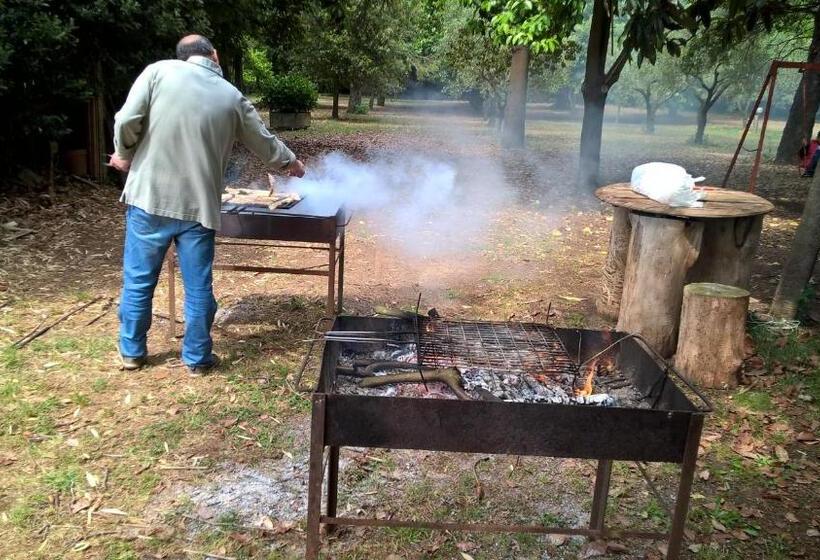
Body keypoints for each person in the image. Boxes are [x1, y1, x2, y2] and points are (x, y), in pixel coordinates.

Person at [109, 35, 305, 375]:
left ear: (183, 57)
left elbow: (127, 120)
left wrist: (124, 155)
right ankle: (197, 360)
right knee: (198, 286)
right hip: (198, 207)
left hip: (149, 200)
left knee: (139, 281)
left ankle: (132, 353)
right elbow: (264, 142)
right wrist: (292, 165)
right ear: (214, 55)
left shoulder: (157, 73)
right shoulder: (231, 96)